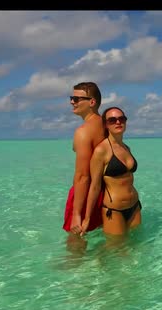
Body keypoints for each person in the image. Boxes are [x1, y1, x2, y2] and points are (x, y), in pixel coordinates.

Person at [81, 106, 142, 238]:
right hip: (114, 210)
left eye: (121, 119)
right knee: (115, 252)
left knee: (138, 247)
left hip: (135, 206)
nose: (118, 122)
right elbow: (95, 186)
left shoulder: (126, 147)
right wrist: (87, 218)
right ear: (105, 125)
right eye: (112, 120)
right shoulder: (101, 151)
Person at [62, 82, 106, 238]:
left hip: (85, 196)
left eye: (76, 98)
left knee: (75, 245)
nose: (72, 102)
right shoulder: (107, 126)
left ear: (92, 102)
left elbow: (83, 175)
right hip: (104, 193)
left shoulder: (83, 132)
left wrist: (76, 214)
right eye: (71, 98)